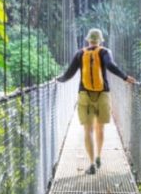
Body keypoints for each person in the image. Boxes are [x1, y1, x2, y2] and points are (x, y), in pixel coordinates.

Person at [56, 28, 136, 174]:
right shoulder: (105, 52)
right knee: (100, 128)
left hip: (84, 94)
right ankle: (99, 156)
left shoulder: (80, 54)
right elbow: (110, 66)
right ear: (100, 41)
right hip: (102, 94)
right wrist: (125, 77)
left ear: (88, 40)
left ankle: (92, 163)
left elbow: (69, 74)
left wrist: (58, 80)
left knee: (88, 130)